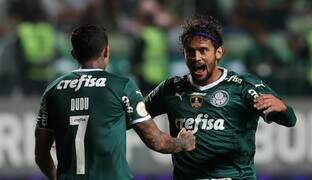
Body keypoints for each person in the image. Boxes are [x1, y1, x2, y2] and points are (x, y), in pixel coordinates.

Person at [145, 15, 297, 180]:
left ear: (219, 52)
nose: (196, 57)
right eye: (190, 51)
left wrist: (283, 108)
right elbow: (134, 117)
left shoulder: (242, 86)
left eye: (203, 50)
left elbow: (289, 120)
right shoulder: (170, 89)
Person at [34, 25, 196, 180]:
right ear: (106, 51)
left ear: (73, 54)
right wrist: (183, 143)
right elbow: (157, 141)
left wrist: (56, 177)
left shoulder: (53, 90)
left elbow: (41, 154)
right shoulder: (121, 87)